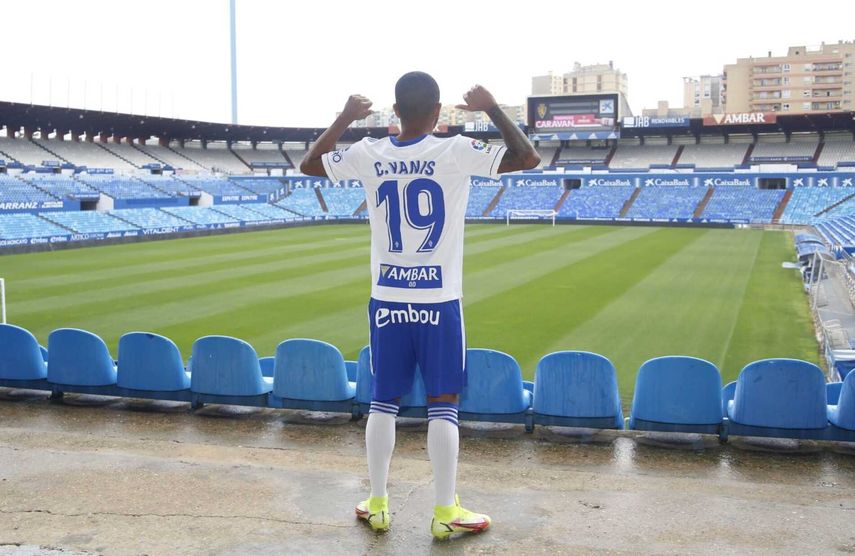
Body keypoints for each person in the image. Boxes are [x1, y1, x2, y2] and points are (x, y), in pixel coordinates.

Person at [300, 71, 540, 540]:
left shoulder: (369, 152)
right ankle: (445, 510)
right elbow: (527, 156)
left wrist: (345, 117)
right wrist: (491, 107)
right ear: (437, 112)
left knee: (383, 400)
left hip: (387, 298)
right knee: (443, 402)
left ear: (395, 111)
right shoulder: (455, 150)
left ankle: (377, 504)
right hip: (438, 299)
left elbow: (310, 165)